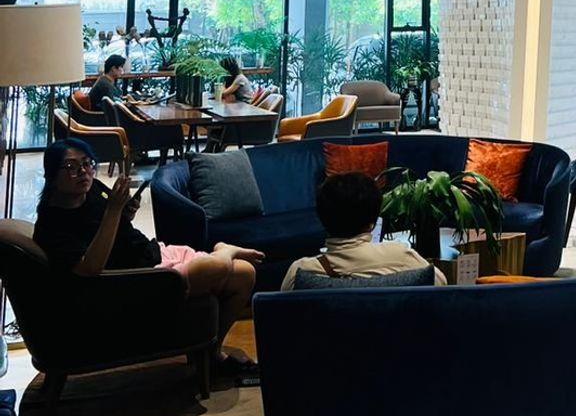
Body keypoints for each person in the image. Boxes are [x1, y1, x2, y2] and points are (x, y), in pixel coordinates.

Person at [34, 138, 265, 373]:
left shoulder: (91, 190)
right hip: (134, 280)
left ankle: (211, 352)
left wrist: (124, 214)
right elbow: (90, 268)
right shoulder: (53, 225)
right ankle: (224, 250)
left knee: (246, 274)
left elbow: (115, 231)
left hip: (153, 254)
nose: (83, 172)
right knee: (217, 267)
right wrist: (113, 211)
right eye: (71, 167)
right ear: (51, 175)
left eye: (87, 163)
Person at [282, 171, 446, 289]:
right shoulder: (402, 257)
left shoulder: (300, 271)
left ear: (322, 219)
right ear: (372, 223)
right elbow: (441, 283)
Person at [88, 53, 128, 118]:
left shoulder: (105, 80)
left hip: (104, 115)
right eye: (121, 67)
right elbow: (112, 107)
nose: (122, 70)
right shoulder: (105, 85)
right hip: (101, 117)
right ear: (113, 68)